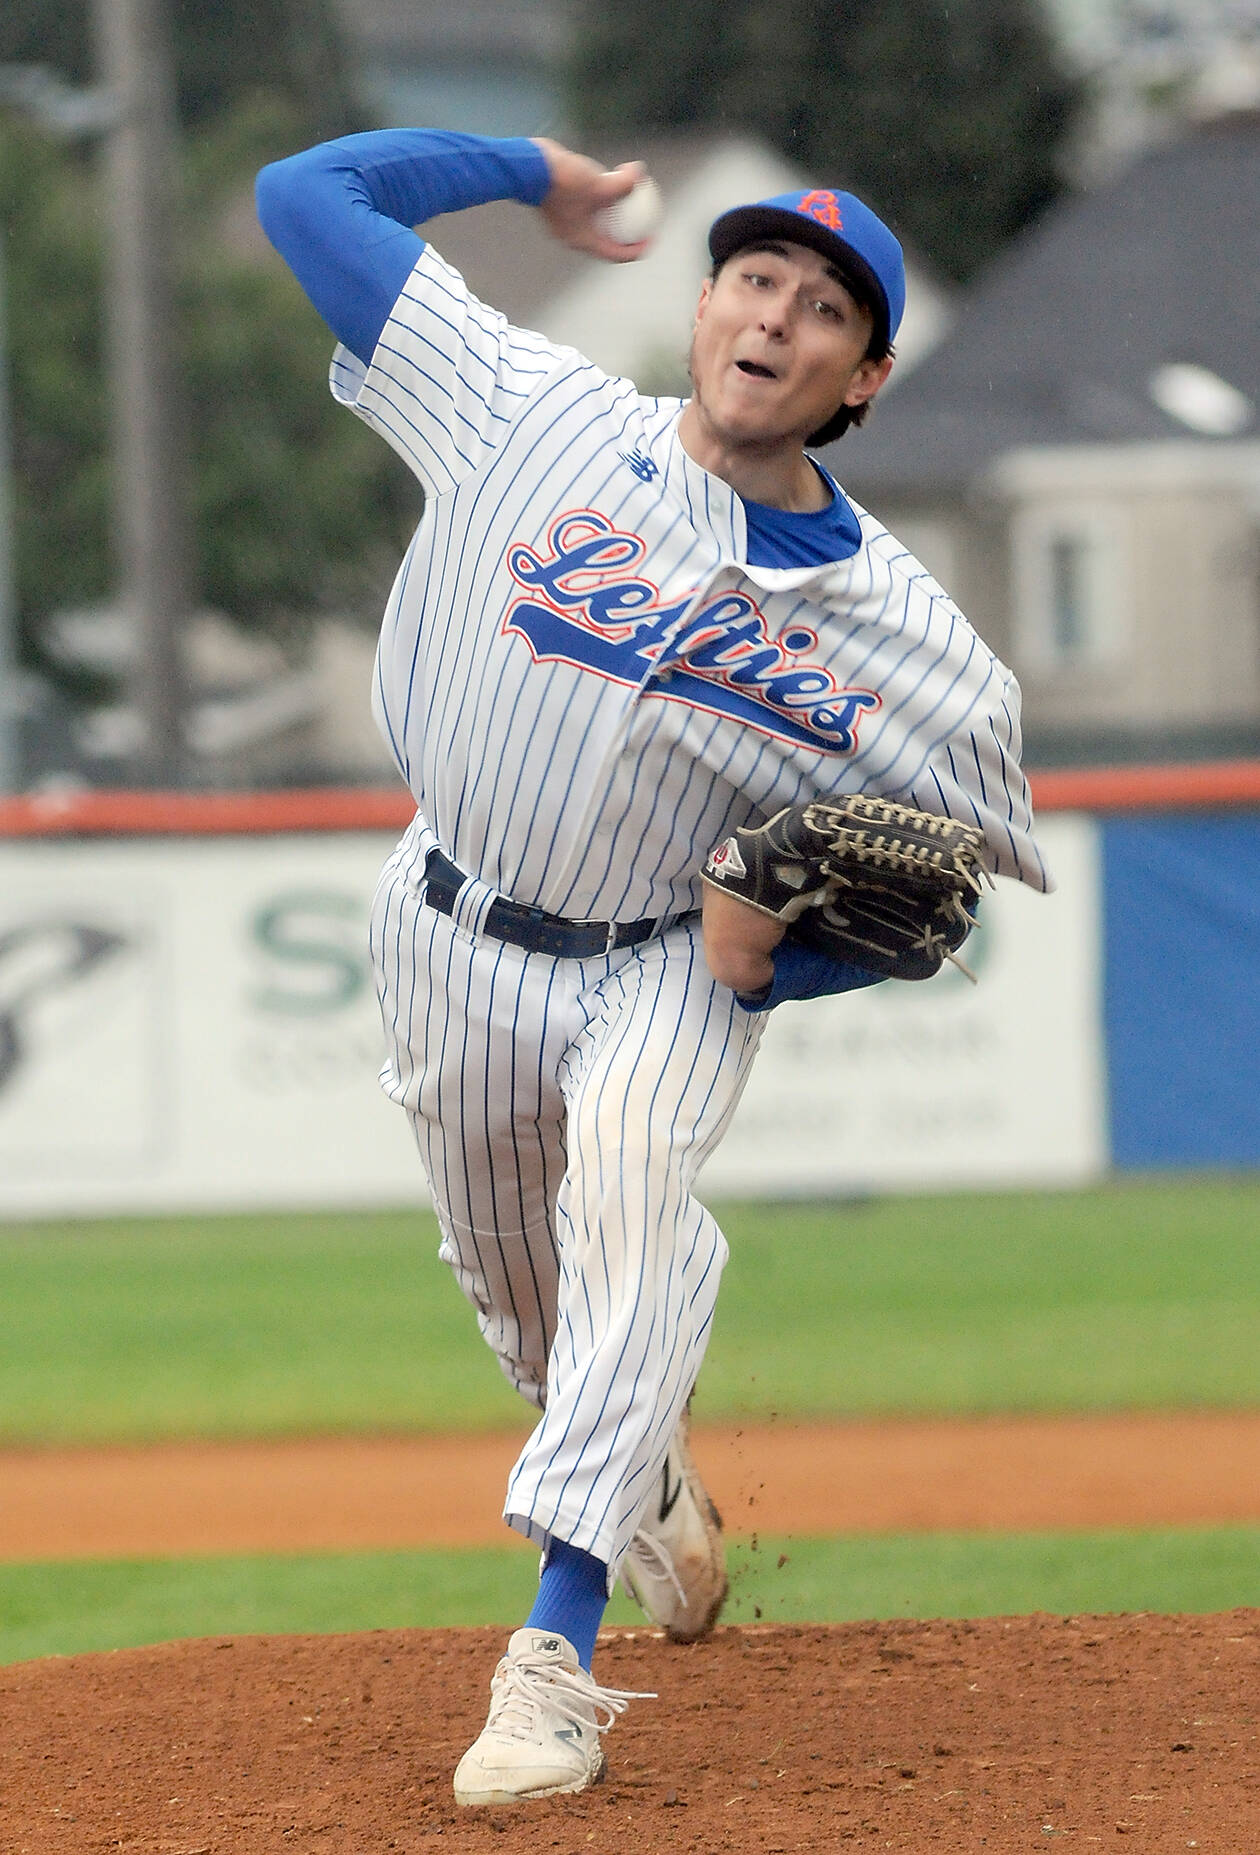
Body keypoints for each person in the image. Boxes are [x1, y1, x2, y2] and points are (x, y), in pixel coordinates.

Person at [256, 127, 1051, 1807]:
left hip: (663, 966)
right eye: (755, 275)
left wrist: (782, 959)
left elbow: (945, 894)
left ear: (865, 378)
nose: (778, 312)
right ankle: (649, 1488)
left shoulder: (915, 647)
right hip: (445, 923)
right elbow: (302, 201)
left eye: (825, 305)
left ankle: (549, 1661)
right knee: (538, 1316)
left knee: (628, 1187)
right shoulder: (526, 410)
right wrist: (528, 170)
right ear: (705, 308)